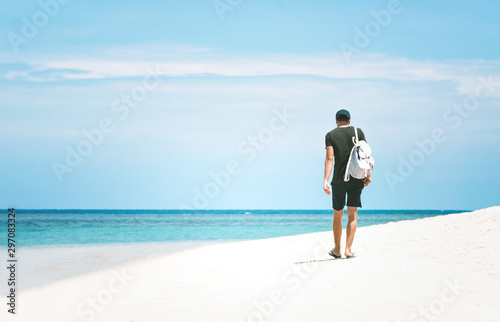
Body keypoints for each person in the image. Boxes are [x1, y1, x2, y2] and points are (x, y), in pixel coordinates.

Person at [323, 109, 371, 259]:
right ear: (349, 120)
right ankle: (348, 250)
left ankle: (337, 249)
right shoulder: (359, 132)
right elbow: (365, 155)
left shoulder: (330, 135)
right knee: (352, 214)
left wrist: (325, 180)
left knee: (338, 215)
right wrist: (368, 174)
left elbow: (330, 159)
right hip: (357, 177)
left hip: (338, 179)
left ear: (336, 120)